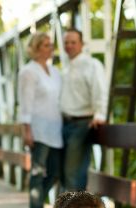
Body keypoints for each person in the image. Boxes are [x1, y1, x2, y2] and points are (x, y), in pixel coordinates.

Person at [18, 32, 63, 208]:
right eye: (45, 45)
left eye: (51, 44)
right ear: (36, 49)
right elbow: (25, 103)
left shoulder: (55, 72)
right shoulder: (28, 72)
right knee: (37, 172)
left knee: (55, 171)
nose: (50, 48)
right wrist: (26, 130)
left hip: (56, 129)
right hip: (38, 129)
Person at [60, 29, 108, 191]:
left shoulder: (92, 64)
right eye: (66, 42)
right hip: (63, 123)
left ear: (82, 44)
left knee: (73, 172)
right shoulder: (66, 67)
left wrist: (100, 114)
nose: (69, 46)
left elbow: (100, 91)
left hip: (81, 123)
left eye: (73, 42)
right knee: (62, 171)